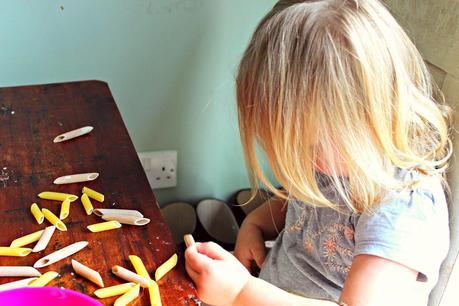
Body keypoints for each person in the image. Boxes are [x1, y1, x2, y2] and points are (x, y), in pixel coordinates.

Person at [184, 0, 453, 305]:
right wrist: (254, 224)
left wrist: (240, 293)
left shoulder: (402, 209)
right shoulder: (337, 158)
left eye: (309, 146)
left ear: (369, 116)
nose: (300, 160)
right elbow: (301, 206)